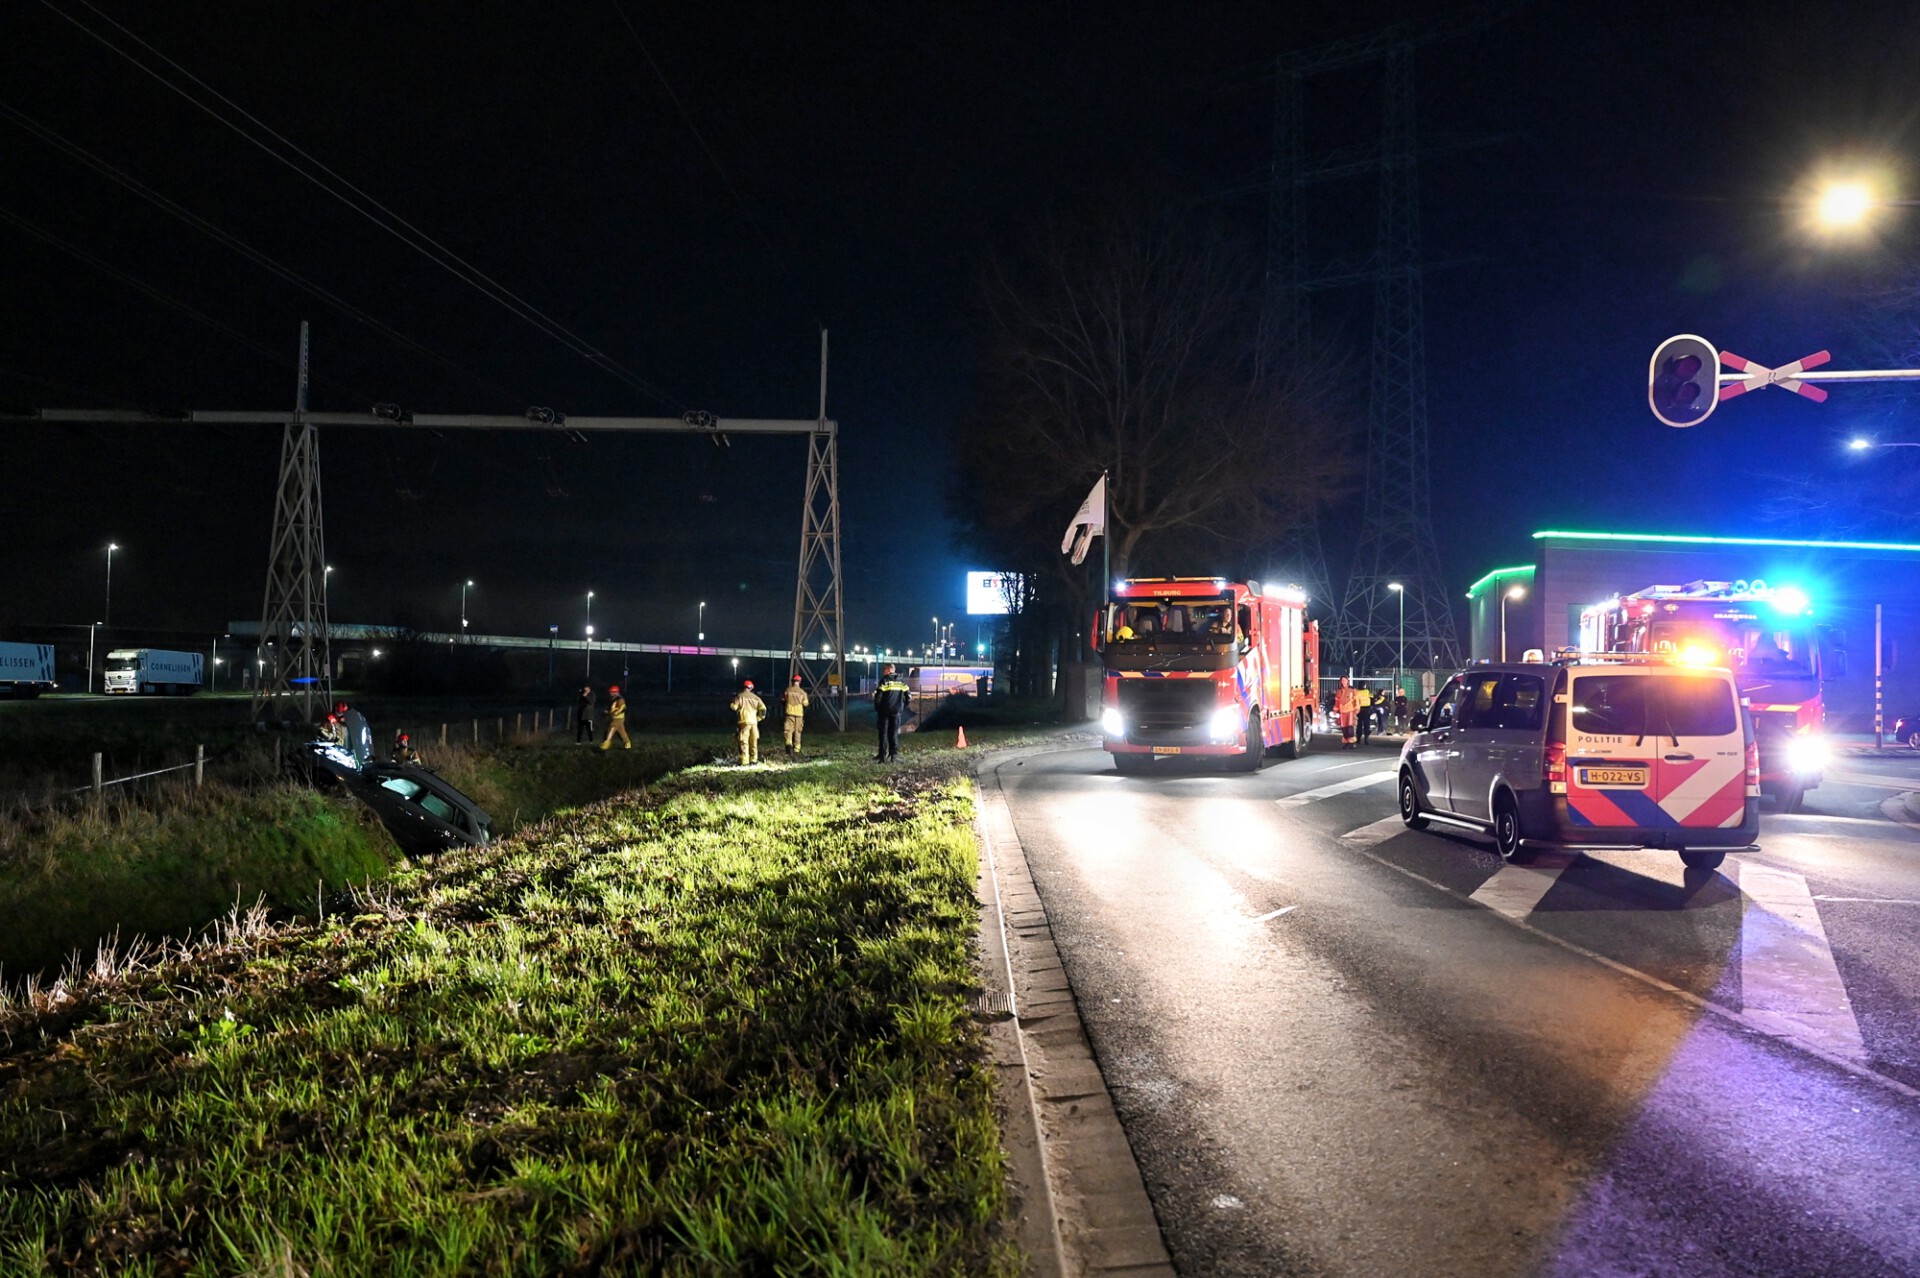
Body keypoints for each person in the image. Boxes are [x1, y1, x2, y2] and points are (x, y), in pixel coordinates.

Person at [873, 663, 912, 762]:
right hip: (896, 711)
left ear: (889, 670)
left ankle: (882, 756)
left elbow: (878, 697)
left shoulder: (884, 681)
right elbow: (909, 696)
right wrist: (903, 706)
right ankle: (894, 756)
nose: (883, 672)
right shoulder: (901, 682)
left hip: (884, 711)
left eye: (884, 670)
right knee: (893, 733)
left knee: (883, 733)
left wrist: (877, 708)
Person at [730, 679, 766, 764]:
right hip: (753, 722)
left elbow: (734, 707)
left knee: (744, 741)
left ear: (743, 687)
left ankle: (744, 761)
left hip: (744, 721)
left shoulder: (740, 696)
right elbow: (763, 709)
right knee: (753, 741)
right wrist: (759, 718)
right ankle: (754, 760)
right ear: (751, 688)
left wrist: (731, 704)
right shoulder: (756, 698)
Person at [782, 673, 810, 755]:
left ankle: (788, 747)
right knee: (798, 732)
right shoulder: (802, 692)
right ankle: (797, 750)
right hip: (799, 715)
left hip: (789, 713)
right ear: (800, 682)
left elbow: (783, 700)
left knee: (788, 731)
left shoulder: (787, 690)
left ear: (792, 681)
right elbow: (805, 704)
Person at [600, 684, 630, 750]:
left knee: (611, 728)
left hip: (618, 718)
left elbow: (623, 708)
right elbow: (611, 708)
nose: (610, 693)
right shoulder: (612, 699)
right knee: (621, 731)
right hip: (615, 717)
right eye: (610, 692)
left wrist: (616, 712)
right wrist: (607, 712)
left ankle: (607, 743)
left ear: (616, 692)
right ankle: (627, 743)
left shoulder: (620, 699)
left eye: (612, 692)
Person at [1333, 676, 1358, 750]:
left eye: (1345, 680)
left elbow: (1356, 700)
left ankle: (1352, 743)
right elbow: (1337, 702)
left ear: (1348, 681)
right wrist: (1335, 710)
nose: (1343, 681)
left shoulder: (1352, 690)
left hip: (1350, 711)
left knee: (1350, 727)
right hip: (1342, 711)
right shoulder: (1339, 691)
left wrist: (1357, 708)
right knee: (1344, 728)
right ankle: (1346, 742)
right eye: (1342, 680)